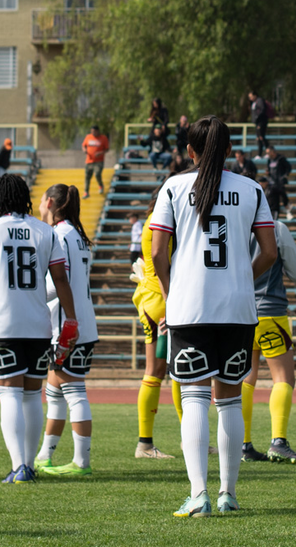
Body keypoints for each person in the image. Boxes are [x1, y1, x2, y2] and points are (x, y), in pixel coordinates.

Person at [150, 115, 277, 516]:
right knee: (229, 402)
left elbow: (156, 253)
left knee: (193, 399)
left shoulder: (173, 187)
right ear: (227, 150)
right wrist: (242, 275)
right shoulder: (252, 188)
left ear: (190, 151)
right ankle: (228, 494)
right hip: (238, 308)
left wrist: (171, 294)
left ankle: (198, 493)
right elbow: (270, 253)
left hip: (190, 307)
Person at [0, 174, 79, 484]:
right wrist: (71, 318)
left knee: (8, 394)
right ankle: (28, 464)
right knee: (31, 396)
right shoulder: (45, 231)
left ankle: (18, 467)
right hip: (37, 325)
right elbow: (61, 280)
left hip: (2, 324)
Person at [35, 184, 100, 477]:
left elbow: (60, 282)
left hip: (67, 328)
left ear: (49, 202)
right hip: (83, 324)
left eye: (40, 200)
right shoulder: (77, 235)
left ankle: (81, 462)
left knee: (73, 393)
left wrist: (32, 294)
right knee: (55, 391)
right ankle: (44, 455)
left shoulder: (58, 234)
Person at [240, 216, 296, 464]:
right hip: (270, 312)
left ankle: (243, 445)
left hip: (238, 313)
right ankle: (278, 442)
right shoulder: (276, 228)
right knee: (284, 378)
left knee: (246, 378)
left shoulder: (231, 222)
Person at [131, 188, 177, 460]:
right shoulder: (161, 223)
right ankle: (145, 444)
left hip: (154, 299)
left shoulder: (151, 220)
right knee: (157, 370)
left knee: (169, 370)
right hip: (161, 302)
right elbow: (163, 262)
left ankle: (151, 443)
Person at [82, 126, 110, 199]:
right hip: (89, 161)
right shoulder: (88, 137)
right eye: (92, 131)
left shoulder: (103, 138)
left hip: (99, 161)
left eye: (94, 131)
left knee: (97, 174)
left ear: (98, 131)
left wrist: (100, 153)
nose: (93, 133)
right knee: (87, 177)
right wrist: (84, 150)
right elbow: (83, 146)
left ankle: (101, 185)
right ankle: (86, 192)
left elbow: (107, 149)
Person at [265, 145, 292, 218]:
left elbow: (288, 167)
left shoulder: (281, 159)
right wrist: (268, 172)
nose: (267, 155)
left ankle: (288, 210)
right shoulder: (269, 160)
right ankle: (275, 215)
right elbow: (269, 169)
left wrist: (285, 176)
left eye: (268, 153)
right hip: (272, 183)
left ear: (272, 152)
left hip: (280, 182)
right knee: (273, 200)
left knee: (283, 196)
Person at [249, 92, 271, 157]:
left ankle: (268, 152)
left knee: (261, 137)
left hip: (261, 122)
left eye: (251, 96)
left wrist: (257, 118)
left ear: (255, 95)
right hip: (257, 122)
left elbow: (262, 110)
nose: (250, 98)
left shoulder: (259, 101)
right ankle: (260, 154)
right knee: (259, 138)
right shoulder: (254, 102)